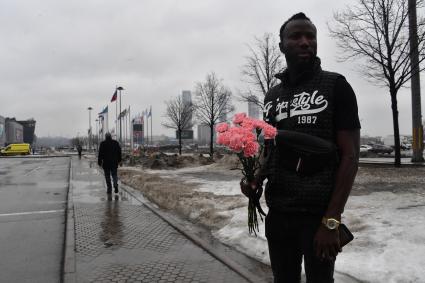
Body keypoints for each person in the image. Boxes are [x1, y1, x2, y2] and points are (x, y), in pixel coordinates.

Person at [241, 13, 361, 282]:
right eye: (296, 37)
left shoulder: (336, 86)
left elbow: (351, 157)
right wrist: (255, 178)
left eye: (311, 36)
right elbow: (269, 148)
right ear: (282, 45)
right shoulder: (272, 96)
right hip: (279, 214)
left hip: (318, 218)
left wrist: (331, 221)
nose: (305, 42)